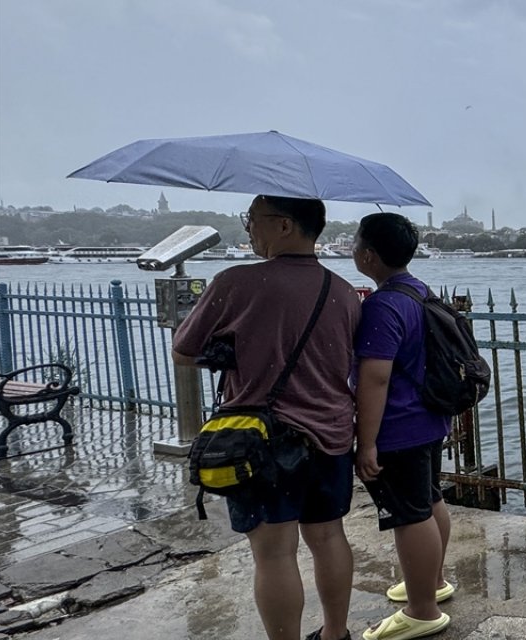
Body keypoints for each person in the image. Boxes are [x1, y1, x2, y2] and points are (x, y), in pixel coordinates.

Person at [173, 195, 361, 640]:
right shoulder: (344, 292)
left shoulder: (236, 282)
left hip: (263, 441)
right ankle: (336, 633)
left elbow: (184, 350)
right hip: (332, 435)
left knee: (275, 553)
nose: (249, 230)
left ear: (284, 226)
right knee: (329, 536)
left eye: (253, 220)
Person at [350, 212, 454, 640]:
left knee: (409, 516)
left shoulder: (381, 306)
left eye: (356, 242)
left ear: (369, 256)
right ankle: (431, 581)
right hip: (429, 419)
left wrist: (367, 443)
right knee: (429, 502)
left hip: (399, 426)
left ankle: (422, 610)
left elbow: (375, 378)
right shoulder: (419, 292)